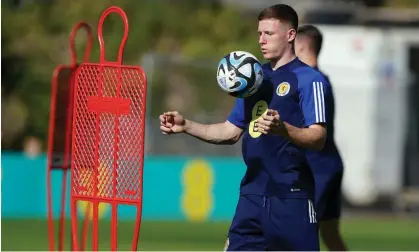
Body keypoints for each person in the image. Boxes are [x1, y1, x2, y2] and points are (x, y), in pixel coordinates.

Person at [160, 4, 331, 251]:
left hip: (291, 197)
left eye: (269, 34)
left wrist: (284, 129)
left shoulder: (309, 80)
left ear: (290, 35)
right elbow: (230, 132)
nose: (261, 40)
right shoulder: (253, 78)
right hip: (251, 196)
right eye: (259, 33)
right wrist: (187, 125)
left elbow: (318, 137)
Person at [295, 24, 348, 251]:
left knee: (301, 231)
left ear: (302, 46)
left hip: (318, 168)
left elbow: (311, 130)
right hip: (329, 163)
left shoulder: (313, 82)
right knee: (329, 232)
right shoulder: (320, 79)